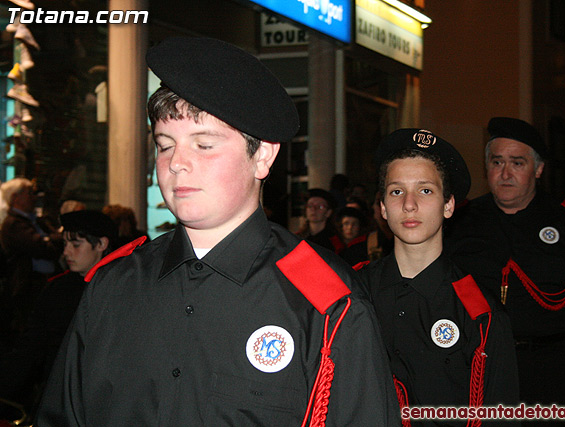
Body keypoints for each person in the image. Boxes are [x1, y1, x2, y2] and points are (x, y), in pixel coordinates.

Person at [36, 37, 399, 426]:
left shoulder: (326, 304)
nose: (177, 164)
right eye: (164, 145)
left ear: (262, 155)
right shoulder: (113, 284)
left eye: (204, 145)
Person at [446, 117, 565, 426]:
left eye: (517, 163)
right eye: (496, 162)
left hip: (549, 371)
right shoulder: (461, 221)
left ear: (538, 169)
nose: (505, 173)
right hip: (478, 370)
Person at [359, 128, 519, 426]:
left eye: (425, 190)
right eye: (396, 191)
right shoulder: (353, 293)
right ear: (382, 206)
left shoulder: (480, 314)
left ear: (449, 205)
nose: (409, 204)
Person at [0, 210, 117, 422]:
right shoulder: (57, 290)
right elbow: (30, 348)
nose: (67, 253)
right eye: (65, 245)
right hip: (58, 402)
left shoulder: (123, 288)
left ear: (101, 244)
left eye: (76, 245)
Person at [0, 178, 62, 345]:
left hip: (42, 283)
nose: (34, 197)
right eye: (29, 193)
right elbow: (42, 248)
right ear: (15, 198)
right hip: (26, 288)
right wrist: (52, 240)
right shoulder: (13, 224)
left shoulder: (35, 221)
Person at [296, 188, 343, 252]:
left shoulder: (335, 242)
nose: (314, 209)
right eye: (310, 206)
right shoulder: (297, 238)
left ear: (328, 212)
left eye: (320, 207)